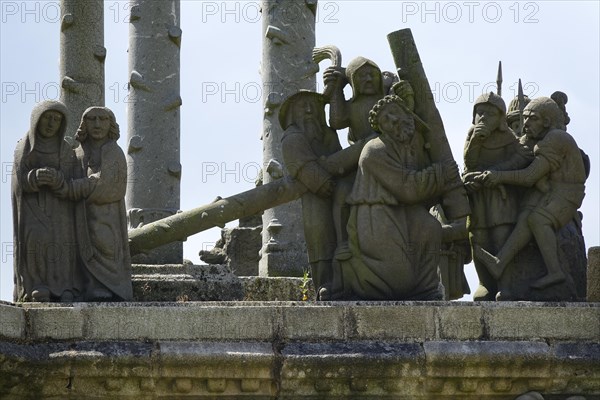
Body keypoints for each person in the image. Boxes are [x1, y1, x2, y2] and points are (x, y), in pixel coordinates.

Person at [341, 95, 456, 300]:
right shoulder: (374, 150)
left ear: (407, 114)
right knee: (399, 279)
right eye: (386, 119)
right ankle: (351, 271)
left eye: (396, 112)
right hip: (376, 215)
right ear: (382, 128)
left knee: (430, 227)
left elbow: (422, 194)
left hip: (404, 212)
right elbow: (407, 188)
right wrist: (440, 174)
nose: (393, 119)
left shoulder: (411, 148)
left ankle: (426, 288)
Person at [475, 97, 587, 290]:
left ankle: (555, 271)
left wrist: (499, 176)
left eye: (532, 118)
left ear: (546, 121)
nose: (525, 123)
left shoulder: (557, 138)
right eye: (524, 118)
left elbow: (528, 176)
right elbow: (518, 157)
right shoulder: (535, 136)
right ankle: (499, 263)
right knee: (525, 215)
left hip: (567, 192)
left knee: (537, 219)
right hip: (548, 190)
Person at [56, 106, 132, 301]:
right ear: (84, 124)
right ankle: (86, 286)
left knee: (105, 245)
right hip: (80, 215)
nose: (97, 124)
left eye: (103, 119)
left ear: (111, 125)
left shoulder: (114, 152)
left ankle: (110, 286)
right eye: (91, 119)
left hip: (106, 217)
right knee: (80, 247)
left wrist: (79, 188)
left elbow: (112, 186)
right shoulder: (77, 154)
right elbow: (64, 183)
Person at [462, 92, 532, 300]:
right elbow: (470, 162)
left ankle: (505, 284)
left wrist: (499, 173)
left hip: (501, 197)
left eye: (490, 114)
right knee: (478, 238)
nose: (483, 118)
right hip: (479, 197)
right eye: (479, 113)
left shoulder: (508, 137)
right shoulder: (472, 134)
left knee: (502, 238)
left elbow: (523, 157)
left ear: (501, 119)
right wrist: (476, 141)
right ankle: (485, 283)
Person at [12, 100, 80, 302]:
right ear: (37, 120)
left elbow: (72, 179)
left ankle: (63, 286)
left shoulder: (66, 150)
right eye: (47, 118)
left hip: (60, 207)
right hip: (31, 206)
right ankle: (36, 284)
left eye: (57, 120)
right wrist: (33, 178)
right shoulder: (24, 147)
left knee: (62, 240)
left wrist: (59, 180)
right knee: (36, 241)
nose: (51, 124)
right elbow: (18, 181)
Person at [280, 91, 344, 300]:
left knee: (344, 232)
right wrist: (321, 181)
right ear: (292, 113)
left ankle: (346, 280)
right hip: (315, 198)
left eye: (313, 106)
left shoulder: (329, 135)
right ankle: (324, 283)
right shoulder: (292, 137)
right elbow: (301, 165)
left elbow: (341, 160)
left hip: (339, 195)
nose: (309, 110)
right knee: (320, 235)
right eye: (302, 106)